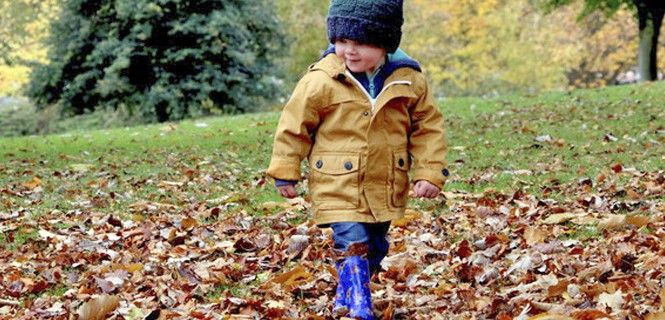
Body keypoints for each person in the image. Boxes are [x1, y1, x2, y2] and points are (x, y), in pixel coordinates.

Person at [266, 0, 448, 318]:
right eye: (341, 41)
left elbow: (427, 128)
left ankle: (346, 292)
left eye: (360, 42)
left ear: (385, 43)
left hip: (383, 184)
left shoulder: (408, 80)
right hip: (336, 182)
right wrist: (286, 169)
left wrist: (429, 173)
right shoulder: (322, 79)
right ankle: (361, 306)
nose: (349, 50)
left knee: (376, 247)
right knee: (353, 240)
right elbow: (294, 125)